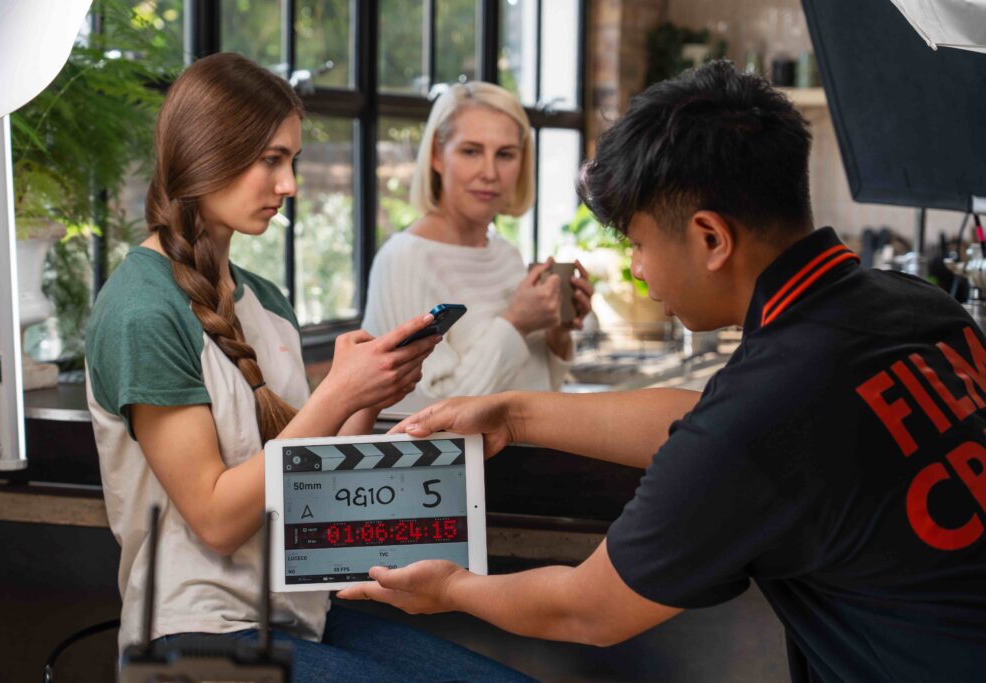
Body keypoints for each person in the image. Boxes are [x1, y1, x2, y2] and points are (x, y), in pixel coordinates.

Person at [340, 60, 986, 682]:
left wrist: (451, 587)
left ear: (710, 238)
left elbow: (586, 608)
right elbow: (712, 420)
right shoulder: (916, 306)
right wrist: (516, 412)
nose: (639, 271)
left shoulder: (765, 409)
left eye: (640, 244)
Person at [85, 53, 531, 682]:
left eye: (290, 161)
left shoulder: (265, 300)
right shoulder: (141, 311)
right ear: (204, 154)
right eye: (271, 160)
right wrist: (334, 395)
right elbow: (215, 519)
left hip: (302, 615)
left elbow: (307, 499)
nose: (289, 184)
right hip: (194, 637)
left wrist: (367, 396)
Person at [361, 81, 593, 412]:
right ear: (438, 157)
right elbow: (427, 413)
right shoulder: (404, 261)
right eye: (471, 151)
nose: (490, 173)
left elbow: (537, 391)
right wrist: (517, 323)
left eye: (505, 154)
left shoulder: (505, 254)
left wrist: (556, 334)